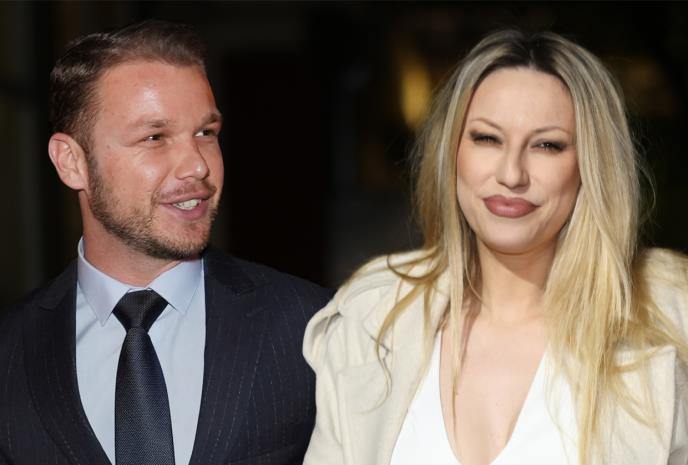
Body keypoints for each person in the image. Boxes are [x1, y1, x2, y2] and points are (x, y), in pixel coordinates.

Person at [303, 29, 688, 465]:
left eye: (547, 145)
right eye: (487, 138)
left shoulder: (669, 315)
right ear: (452, 151)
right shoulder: (372, 313)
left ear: (590, 165)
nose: (511, 174)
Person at [0, 20, 332, 465]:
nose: (197, 165)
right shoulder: (10, 350)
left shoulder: (315, 326)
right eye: (155, 138)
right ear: (71, 162)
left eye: (206, 133)